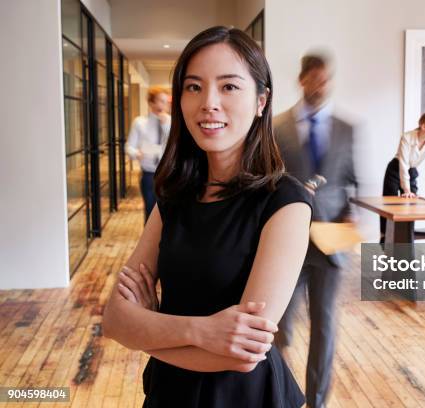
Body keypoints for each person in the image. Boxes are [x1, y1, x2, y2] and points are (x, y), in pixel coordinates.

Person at [102, 26, 313, 408]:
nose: (208, 103)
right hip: (169, 393)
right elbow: (114, 320)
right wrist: (202, 331)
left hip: (244, 397)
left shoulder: (285, 202)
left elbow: (242, 355)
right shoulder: (174, 195)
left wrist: (146, 330)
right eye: (194, 87)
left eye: (229, 87)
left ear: (261, 100)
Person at [273, 52, 357, 408]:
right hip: (287, 243)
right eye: (315, 79)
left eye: (326, 80)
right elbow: (268, 181)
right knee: (279, 327)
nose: (321, 86)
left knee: (324, 327)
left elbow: (351, 181)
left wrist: (351, 218)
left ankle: (317, 402)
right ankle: (280, 394)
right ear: (302, 79)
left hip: (331, 244)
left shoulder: (346, 128)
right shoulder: (277, 127)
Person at [380, 112, 425, 243]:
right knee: (389, 207)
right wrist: (406, 189)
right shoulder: (407, 137)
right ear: (423, 126)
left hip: (412, 171)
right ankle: (385, 239)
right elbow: (403, 163)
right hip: (395, 169)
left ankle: (407, 240)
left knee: (411, 206)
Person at [126, 87, 171, 222]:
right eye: (160, 101)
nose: (163, 105)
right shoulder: (140, 123)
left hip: (169, 174)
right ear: (151, 103)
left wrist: (165, 126)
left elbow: (175, 146)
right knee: (151, 212)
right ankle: (150, 243)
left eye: (165, 102)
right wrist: (136, 153)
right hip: (149, 175)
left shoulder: (172, 122)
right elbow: (129, 146)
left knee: (169, 213)